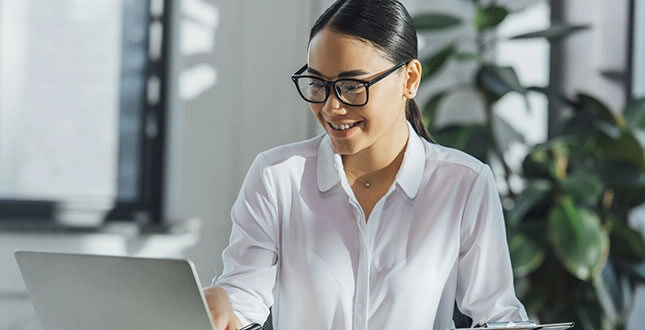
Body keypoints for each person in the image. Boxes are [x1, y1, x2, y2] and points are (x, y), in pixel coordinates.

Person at [204, 0, 528, 329]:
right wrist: (223, 307)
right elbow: (243, 298)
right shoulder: (277, 177)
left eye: (351, 87)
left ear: (409, 79)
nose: (331, 108)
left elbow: (497, 317)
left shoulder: (464, 184)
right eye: (317, 84)